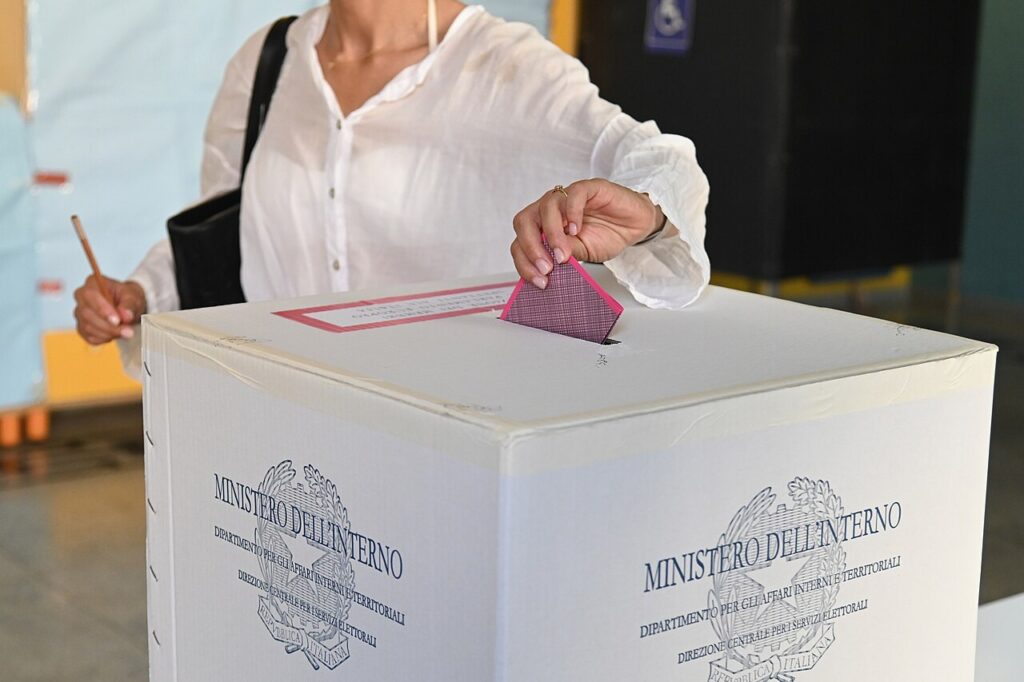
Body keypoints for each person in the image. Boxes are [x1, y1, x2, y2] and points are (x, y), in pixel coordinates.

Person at [73, 0, 710, 350]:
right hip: (276, 428)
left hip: (437, 447)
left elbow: (659, 160)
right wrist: (141, 294)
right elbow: (229, 218)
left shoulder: (502, 67)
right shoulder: (267, 61)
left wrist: (648, 214)